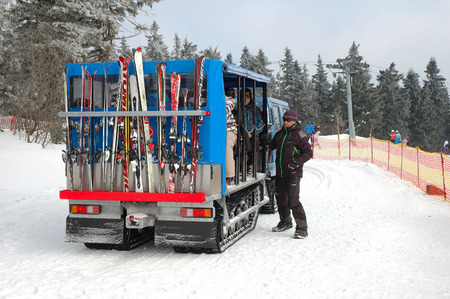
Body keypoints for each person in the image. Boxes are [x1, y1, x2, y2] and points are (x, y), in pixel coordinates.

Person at [268, 110, 313, 239]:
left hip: (293, 173)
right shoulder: (281, 133)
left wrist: (296, 162)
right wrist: (264, 141)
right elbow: (272, 146)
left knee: (293, 201)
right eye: (284, 119)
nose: (285, 122)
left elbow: (308, 153)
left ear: (294, 120)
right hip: (281, 173)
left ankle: (302, 228)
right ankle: (285, 221)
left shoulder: (299, 134)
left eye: (288, 120)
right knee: (280, 199)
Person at [242, 88, 264, 174]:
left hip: (252, 134)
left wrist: (252, 133)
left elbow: (261, 124)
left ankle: (251, 165)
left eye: (247, 96)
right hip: (241, 134)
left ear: (250, 97)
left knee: (254, 144)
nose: (245, 99)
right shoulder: (238, 109)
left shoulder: (255, 110)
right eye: (243, 96)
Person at [225, 88, 238, 185]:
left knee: (227, 145)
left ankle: (229, 175)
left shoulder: (229, 102)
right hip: (220, 131)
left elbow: (226, 109)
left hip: (230, 131)